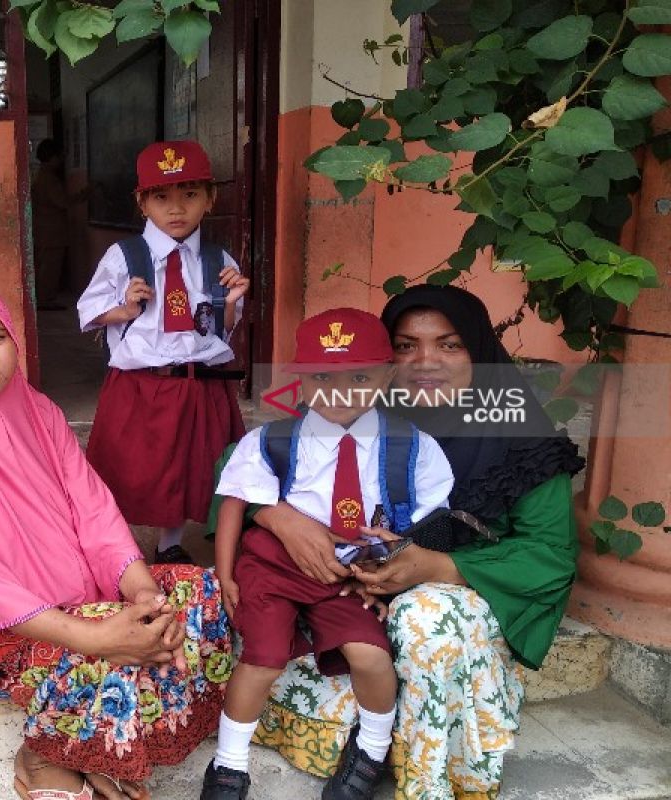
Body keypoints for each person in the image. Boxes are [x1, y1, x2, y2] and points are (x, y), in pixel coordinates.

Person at [0, 277, 233, 800]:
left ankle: (91, 745)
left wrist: (142, 592)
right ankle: (45, 757)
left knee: (195, 596)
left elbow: (94, 513)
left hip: (79, 603)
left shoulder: (38, 412)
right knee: (114, 646)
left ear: (14, 341)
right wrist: (95, 637)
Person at [251, 285, 585, 800]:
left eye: (449, 345)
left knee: (423, 618)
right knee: (267, 585)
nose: (425, 362)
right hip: (357, 585)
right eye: (406, 346)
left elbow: (550, 556)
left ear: (478, 351)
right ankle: (358, 736)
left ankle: (413, 770)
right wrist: (280, 517)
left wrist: (435, 566)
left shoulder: (520, 434)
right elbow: (244, 461)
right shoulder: (360, 401)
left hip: (458, 596)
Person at [202, 309, 454, 800]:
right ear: (300, 381)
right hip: (272, 566)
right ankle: (229, 765)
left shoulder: (412, 448)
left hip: (345, 574)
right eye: (322, 377)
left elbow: (430, 525)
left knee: (370, 655)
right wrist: (227, 574)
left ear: (387, 375)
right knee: (265, 656)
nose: (340, 391)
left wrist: (389, 566)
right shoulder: (273, 440)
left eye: (359, 376)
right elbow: (236, 500)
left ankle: (371, 752)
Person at [77, 139, 250, 565]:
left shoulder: (218, 260)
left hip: (197, 385)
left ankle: (169, 543)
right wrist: (124, 308)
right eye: (161, 197)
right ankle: (112, 548)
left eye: (190, 195)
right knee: (130, 469)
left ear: (210, 199)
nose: (176, 208)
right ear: (142, 203)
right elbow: (88, 310)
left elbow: (220, 333)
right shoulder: (124, 256)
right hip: (139, 385)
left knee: (190, 469)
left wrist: (231, 304)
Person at [31, 138, 82, 310]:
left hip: (43, 230)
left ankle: (43, 298)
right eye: (60, 156)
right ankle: (45, 300)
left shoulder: (40, 175)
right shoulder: (48, 179)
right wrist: (85, 194)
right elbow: (62, 202)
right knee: (50, 268)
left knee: (44, 266)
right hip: (51, 233)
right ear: (52, 157)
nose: (61, 160)